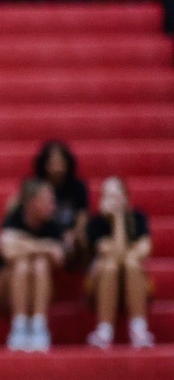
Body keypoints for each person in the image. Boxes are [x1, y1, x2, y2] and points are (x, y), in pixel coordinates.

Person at [0, 178, 66, 351]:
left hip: (38, 288)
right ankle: (19, 326)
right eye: (47, 201)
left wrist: (23, 244)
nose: (53, 205)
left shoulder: (52, 224)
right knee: (22, 264)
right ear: (32, 203)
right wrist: (43, 246)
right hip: (3, 291)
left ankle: (39, 326)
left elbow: (59, 257)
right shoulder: (13, 219)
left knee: (40, 264)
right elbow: (8, 250)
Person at [85, 176, 153, 349]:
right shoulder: (96, 223)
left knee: (131, 263)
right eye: (108, 196)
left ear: (126, 197)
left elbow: (144, 249)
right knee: (110, 266)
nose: (113, 201)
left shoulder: (138, 218)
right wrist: (117, 221)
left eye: (116, 195)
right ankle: (104, 330)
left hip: (134, 284)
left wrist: (121, 219)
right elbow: (115, 253)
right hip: (101, 286)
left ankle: (138, 328)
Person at [32, 140, 91, 265]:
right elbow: (33, 222)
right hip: (44, 237)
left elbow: (83, 217)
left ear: (68, 163)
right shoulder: (35, 187)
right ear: (44, 164)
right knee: (38, 262)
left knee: (82, 239)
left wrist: (74, 234)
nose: (57, 166)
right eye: (53, 162)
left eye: (60, 161)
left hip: (71, 240)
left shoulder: (78, 187)